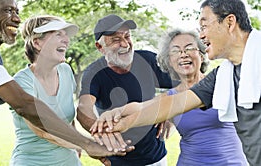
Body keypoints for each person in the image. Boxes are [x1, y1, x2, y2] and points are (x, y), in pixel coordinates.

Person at [91, 0, 261, 165]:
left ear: (229, 22)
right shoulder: (222, 76)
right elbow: (170, 104)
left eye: (204, 26)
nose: (202, 35)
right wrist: (121, 120)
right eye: (176, 51)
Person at [0, 0, 124, 165]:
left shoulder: (65, 71)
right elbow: (26, 106)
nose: (17, 19)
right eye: (9, 10)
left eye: (17, 11)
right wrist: (88, 144)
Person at [77, 14, 172, 166]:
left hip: (157, 158)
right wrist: (101, 133)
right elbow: (83, 109)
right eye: (115, 39)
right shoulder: (94, 73)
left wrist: (168, 110)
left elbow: (187, 85)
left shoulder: (148, 60)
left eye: (127, 36)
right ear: (100, 47)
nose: (125, 44)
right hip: (118, 160)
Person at [157, 29, 247, 165]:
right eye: (175, 51)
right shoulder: (168, 99)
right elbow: (141, 117)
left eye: (189, 48)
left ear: (201, 54)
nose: (183, 55)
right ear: (169, 60)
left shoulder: (223, 83)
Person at [9, 15, 83, 165]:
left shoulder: (66, 71)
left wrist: (76, 144)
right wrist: (88, 145)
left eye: (66, 35)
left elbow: (67, 117)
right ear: (37, 43)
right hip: (32, 161)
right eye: (58, 34)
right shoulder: (22, 82)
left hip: (68, 160)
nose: (66, 40)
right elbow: (42, 131)